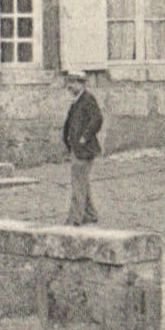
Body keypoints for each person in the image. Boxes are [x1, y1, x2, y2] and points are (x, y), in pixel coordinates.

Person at [62, 71, 102, 225]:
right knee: (82, 181)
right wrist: (67, 140)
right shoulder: (76, 102)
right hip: (76, 148)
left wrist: (84, 137)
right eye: (69, 82)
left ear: (81, 84)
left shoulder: (88, 99)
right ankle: (90, 214)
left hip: (84, 149)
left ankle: (75, 219)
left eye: (73, 83)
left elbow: (97, 119)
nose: (70, 86)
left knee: (78, 183)